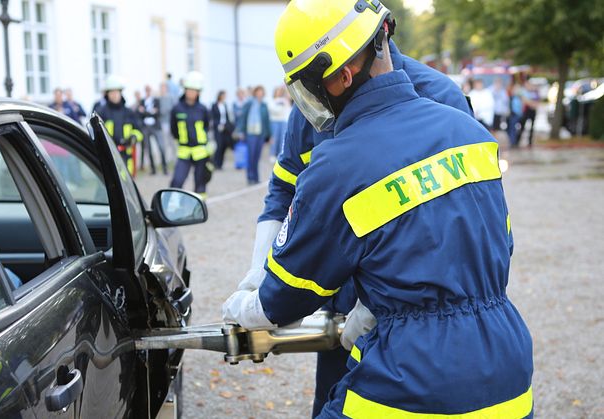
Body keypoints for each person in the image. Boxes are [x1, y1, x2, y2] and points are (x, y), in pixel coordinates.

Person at [223, 1, 533, 418]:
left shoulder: (337, 162)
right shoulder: (469, 131)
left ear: (340, 77)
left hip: (407, 377)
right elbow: (494, 243)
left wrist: (244, 308)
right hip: (507, 373)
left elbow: (284, 298)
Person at [169, 71, 212, 197]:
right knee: (177, 180)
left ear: (198, 92)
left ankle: (199, 207)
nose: (191, 93)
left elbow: (206, 126)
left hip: (200, 152)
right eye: (189, 90)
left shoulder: (203, 109)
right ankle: (172, 206)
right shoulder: (177, 109)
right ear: (185, 90)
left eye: (195, 90)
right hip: (184, 151)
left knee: (200, 182)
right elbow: (173, 130)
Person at [94, 75, 144, 176]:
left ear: (121, 93)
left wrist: (133, 137)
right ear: (107, 94)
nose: (114, 95)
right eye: (111, 92)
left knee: (127, 188)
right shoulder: (101, 113)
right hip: (108, 158)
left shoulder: (129, 112)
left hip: (126, 158)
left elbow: (139, 131)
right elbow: (95, 134)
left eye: (117, 92)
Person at [236, 86, 271, 185]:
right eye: (258, 92)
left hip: (260, 133)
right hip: (250, 133)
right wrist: (241, 131)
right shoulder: (249, 103)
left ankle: (256, 177)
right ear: (255, 93)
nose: (260, 93)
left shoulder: (264, 105)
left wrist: (269, 135)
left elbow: (267, 121)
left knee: (257, 156)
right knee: (251, 156)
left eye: (261, 92)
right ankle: (250, 177)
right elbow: (243, 118)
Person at [139, 85, 169, 175]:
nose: (148, 92)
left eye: (149, 90)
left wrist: (146, 112)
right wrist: (151, 112)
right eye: (146, 90)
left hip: (156, 127)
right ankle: (153, 169)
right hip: (146, 127)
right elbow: (140, 113)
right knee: (149, 149)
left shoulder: (156, 100)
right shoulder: (142, 101)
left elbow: (158, 112)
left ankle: (165, 168)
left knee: (161, 147)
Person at [211, 90, 234, 169]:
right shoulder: (214, 105)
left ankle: (220, 164)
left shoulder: (225, 105)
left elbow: (226, 117)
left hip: (225, 128)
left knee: (224, 146)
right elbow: (213, 117)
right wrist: (218, 124)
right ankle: (215, 163)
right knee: (219, 145)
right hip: (218, 128)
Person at [268, 86, 292, 161]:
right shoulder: (272, 100)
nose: (279, 92)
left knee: (282, 138)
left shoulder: (284, 100)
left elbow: (288, 108)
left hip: (282, 121)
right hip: (274, 121)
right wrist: (281, 109)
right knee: (274, 138)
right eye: (277, 91)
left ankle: (279, 154)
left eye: (280, 91)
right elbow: (273, 110)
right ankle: (272, 154)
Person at [517, 79, 541, 147]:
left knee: (532, 127)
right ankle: (518, 140)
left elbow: (537, 102)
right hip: (526, 111)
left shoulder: (535, 92)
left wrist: (532, 104)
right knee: (522, 126)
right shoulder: (524, 92)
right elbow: (525, 101)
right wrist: (532, 104)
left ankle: (530, 142)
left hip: (532, 111)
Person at [507, 81, 524, 148]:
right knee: (511, 129)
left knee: (517, 129)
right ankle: (512, 142)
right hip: (512, 115)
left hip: (518, 115)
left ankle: (515, 142)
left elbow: (521, 107)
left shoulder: (520, 98)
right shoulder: (511, 97)